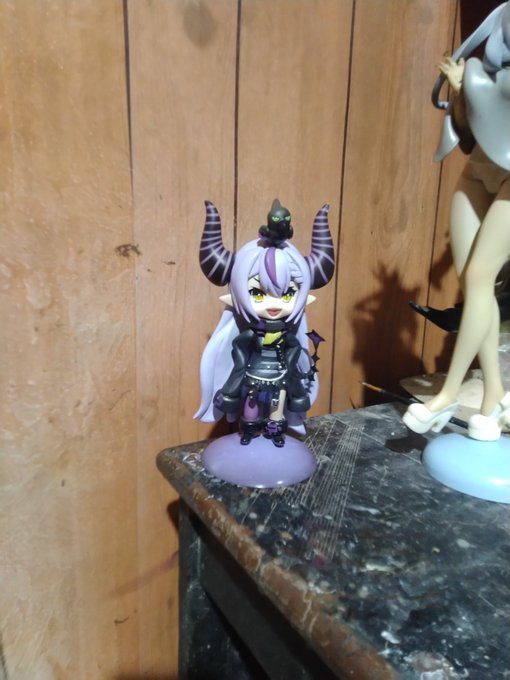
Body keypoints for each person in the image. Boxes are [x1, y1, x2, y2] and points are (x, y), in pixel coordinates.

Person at [404, 2, 510, 440]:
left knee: (482, 275)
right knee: (473, 284)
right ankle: (495, 397)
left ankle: (447, 394)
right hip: (480, 167)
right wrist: (463, 90)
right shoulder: (489, 55)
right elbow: (468, 132)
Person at [194, 199, 334, 446]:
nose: (274, 303)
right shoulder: (251, 333)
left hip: (280, 373)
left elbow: (293, 347)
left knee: (277, 403)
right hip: (253, 372)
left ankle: (275, 431)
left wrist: (294, 367)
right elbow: (239, 346)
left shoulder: (287, 334)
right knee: (250, 403)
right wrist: (238, 369)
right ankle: (249, 430)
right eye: (258, 293)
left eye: (288, 294)